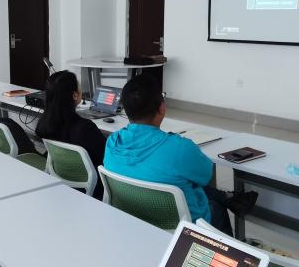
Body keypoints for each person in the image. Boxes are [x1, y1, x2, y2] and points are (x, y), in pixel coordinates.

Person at [103, 74, 256, 236]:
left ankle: (227, 197)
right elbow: (206, 175)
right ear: (162, 108)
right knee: (215, 207)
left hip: (134, 220)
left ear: (126, 110)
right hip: (183, 229)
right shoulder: (180, 148)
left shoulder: (112, 142)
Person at [36, 70, 106, 198]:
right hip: (93, 188)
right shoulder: (85, 128)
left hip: (63, 181)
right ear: (74, 95)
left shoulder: (45, 123)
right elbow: (106, 158)